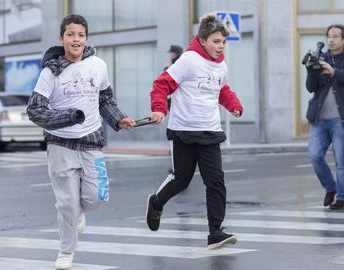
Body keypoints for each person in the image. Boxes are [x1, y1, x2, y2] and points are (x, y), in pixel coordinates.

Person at [27, 14, 135, 269]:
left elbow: (105, 100)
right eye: (71, 34)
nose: (76, 39)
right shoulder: (49, 71)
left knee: (97, 196)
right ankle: (66, 251)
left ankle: (78, 213)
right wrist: (68, 117)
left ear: (86, 38)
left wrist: (118, 119)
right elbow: (35, 110)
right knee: (66, 203)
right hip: (60, 144)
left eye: (81, 35)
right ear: (61, 38)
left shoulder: (98, 65)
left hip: (91, 141)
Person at [146, 14, 243, 250]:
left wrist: (234, 105)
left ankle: (215, 232)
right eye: (216, 41)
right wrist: (159, 109)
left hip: (210, 131)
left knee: (216, 180)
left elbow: (221, 89)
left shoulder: (221, 65)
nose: (221, 47)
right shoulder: (188, 60)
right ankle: (156, 202)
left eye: (223, 42)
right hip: (184, 131)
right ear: (202, 39)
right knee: (182, 180)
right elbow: (162, 84)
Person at [305, 24, 344, 210]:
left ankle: (343, 198)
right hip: (319, 119)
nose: (331, 39)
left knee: (341, 160)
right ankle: (331, 187)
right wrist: (311, 70)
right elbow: (311, 87)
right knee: (314, 155)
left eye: (336, 36)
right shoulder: (319, 57)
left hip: (341, 119)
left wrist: (333, 71)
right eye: (329, 36)